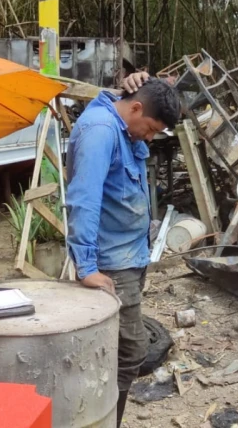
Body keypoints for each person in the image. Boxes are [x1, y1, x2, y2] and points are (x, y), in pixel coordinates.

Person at [66, 72, 181, 428]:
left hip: (129, 257)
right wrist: (86, 268)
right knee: (130, 351)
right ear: (134, 107)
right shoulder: (101, 131)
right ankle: (102, 420)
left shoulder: (121, 124)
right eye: (149, 128)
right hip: (111, 263)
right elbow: (83, 201)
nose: (149, 137)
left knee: (114, 349)